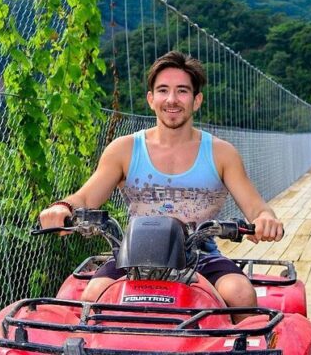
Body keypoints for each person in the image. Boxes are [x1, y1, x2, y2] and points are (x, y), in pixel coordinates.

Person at [39, 50, 284, 322]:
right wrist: (63, 207)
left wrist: (265, 219)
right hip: (132, 257)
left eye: (182, 91)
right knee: (93, 294)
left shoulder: (221, 153)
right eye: (163, 90)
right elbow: (87, 196)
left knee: (239, 293)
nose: (171, 100)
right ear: (151, 99)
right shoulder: (124, 149)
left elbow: (255, 206)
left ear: (196, 100)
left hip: (199, 255)